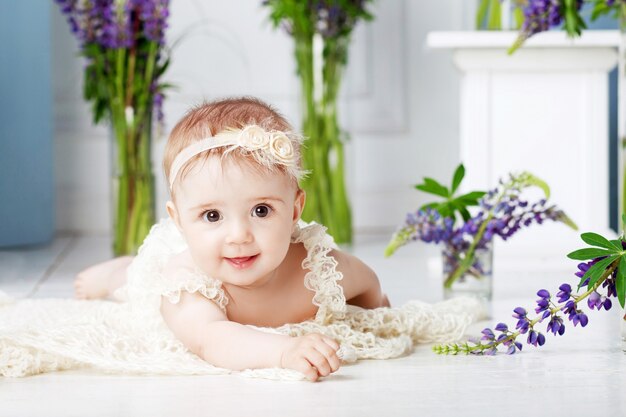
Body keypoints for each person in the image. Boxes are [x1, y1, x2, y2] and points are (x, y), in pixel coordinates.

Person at [74, 97, 390, 382]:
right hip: (173, 266)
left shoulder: (316, 268)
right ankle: (114, 272)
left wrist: (376, 310)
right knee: (132, 283)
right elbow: (211, 339)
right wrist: (283, 351)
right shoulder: (186, 285)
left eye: (261, 210)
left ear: (295, 210)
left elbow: (366, 281)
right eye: (212, 215)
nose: (239, 236)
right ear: (180, 220)